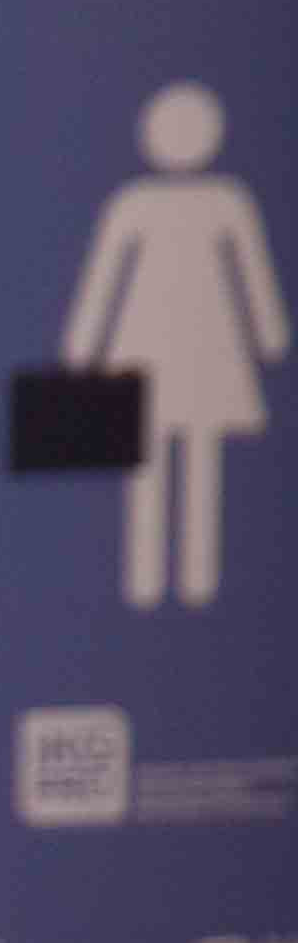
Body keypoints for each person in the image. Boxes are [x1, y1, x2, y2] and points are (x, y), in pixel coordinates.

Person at [66, 81, 284, 611]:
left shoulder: (225, 201)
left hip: (208, 347)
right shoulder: (134, 204)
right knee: (147, 460)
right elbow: (107, 276)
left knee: (199, 458)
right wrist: (83, 347)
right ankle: (146, 576)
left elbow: (251, 273)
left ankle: (195, 578)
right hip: (145, 350)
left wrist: (269, 333)